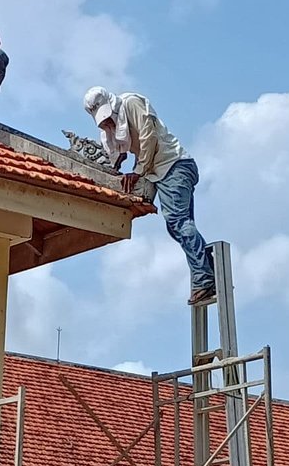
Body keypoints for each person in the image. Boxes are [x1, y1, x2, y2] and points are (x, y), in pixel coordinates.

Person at [83, 87, 215, 305]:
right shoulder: (111, 127)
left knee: (178, 222)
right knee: (176, 227)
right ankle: (205, 271)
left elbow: (148, 136)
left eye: (108, 119)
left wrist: (137, 171)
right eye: (103, 122)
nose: (108, 124)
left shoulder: (131, 104)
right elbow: (117, 151)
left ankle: (204, 278)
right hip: (156, 172)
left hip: (173, 165)